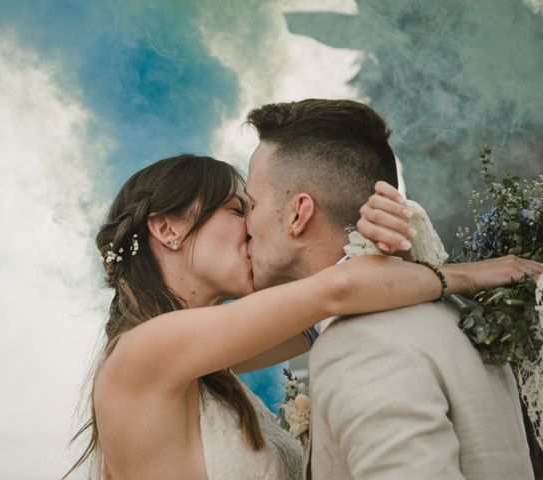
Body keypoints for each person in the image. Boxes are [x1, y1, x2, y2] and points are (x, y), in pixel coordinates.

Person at [63, 153, 540, 480]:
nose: (251, 227)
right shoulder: (144, 352)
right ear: (167, 228)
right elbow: (338, 290)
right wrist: (478, 274)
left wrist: (370, 234)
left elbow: (332, 301)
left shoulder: (204, 369)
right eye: (234, 209)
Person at [244, 98, 539, 479]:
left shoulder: (361, 348)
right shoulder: (451, 311)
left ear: (298, 214)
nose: (245, 225)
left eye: (250, 204)